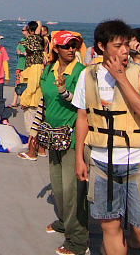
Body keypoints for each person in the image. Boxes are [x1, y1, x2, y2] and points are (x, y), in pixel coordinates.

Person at [73, 20, 140, 255]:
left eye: (127, 45)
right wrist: (79, 159)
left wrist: (121, 77)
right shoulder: (87, 75)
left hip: (139, 161)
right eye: (118, 45)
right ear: (102, 47)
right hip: (101, 162)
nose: (125, 51)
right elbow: (82, 117)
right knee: (109, 227)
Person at [21, 30, 88, 255]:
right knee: (58, 188)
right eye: (67, 46)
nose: (71, 49)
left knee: (73, 191)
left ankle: (77, 240)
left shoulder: (80, 72)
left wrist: (63, 90)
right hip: (52, 137)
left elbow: (82, 104)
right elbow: (44, 102)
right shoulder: (48, 70)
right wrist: (35, 130)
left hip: (72, 139)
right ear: (56, 49)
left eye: (74, 46)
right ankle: (64, 222)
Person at [18, 20, 48, 154]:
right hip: (39, 98)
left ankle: (31, 152)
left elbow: (32, 85)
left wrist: (24, 99)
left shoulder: (36, 63)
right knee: (40, 124)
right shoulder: (42, 58)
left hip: (33, 100)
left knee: (32, 127)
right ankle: (41, 150)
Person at [9, 26, 29, 108]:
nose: (22, 32)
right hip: (20, 65)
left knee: (27, 84)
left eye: (23, 30)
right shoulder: (22, 40)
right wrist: (19, 52)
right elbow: (18, 49)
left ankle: (24, 101)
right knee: (17, 83)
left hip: (28, 66)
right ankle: (14, 102)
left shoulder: (31, 41)